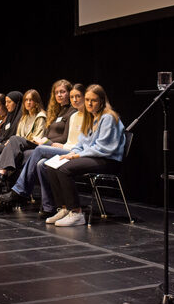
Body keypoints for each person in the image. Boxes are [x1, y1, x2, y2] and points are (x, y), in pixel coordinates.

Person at [0, 83, 86, 215]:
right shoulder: (71, 115)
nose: (74, 99)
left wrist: (50, 143)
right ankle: (48, 207)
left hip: (68, 150)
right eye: (72, 96)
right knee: (39, 164)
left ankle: (18, 191)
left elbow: (70, 140)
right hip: (60, 147)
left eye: (77, 96)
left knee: (30, 148)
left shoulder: (75, 114)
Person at [44, 84, 125, 227]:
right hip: (93, 157)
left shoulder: (108, 118)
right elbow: (81, 143)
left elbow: (103, 147)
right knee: (52, 166)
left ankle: (76, 213)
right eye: (87, 99)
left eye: (93, 100)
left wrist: (77, 156)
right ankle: (64, 208)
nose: (89, 103)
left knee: (64, 169)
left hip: (107, 160)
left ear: (101, 101)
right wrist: (72, 152)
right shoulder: (90, 118)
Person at [0, 79, 76, 195]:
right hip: (41, 144)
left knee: (12, 142)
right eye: (56, 92)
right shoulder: (56, 111)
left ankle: (9, 187)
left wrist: (46, 141)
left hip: (48, 145)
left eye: (62, 92)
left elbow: (64, 138)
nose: (59, 95)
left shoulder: (71, 113)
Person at [0, 89, 47, 208]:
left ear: (36, 102)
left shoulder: (40, 116)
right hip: (21, 144)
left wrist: (15, 141)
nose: (28, 103)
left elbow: (37, 137)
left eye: (31, 100)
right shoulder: (25, 116)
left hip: (34, 144)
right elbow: (18, 134)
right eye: (26, 100)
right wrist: (13, 142)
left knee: (10, 141)